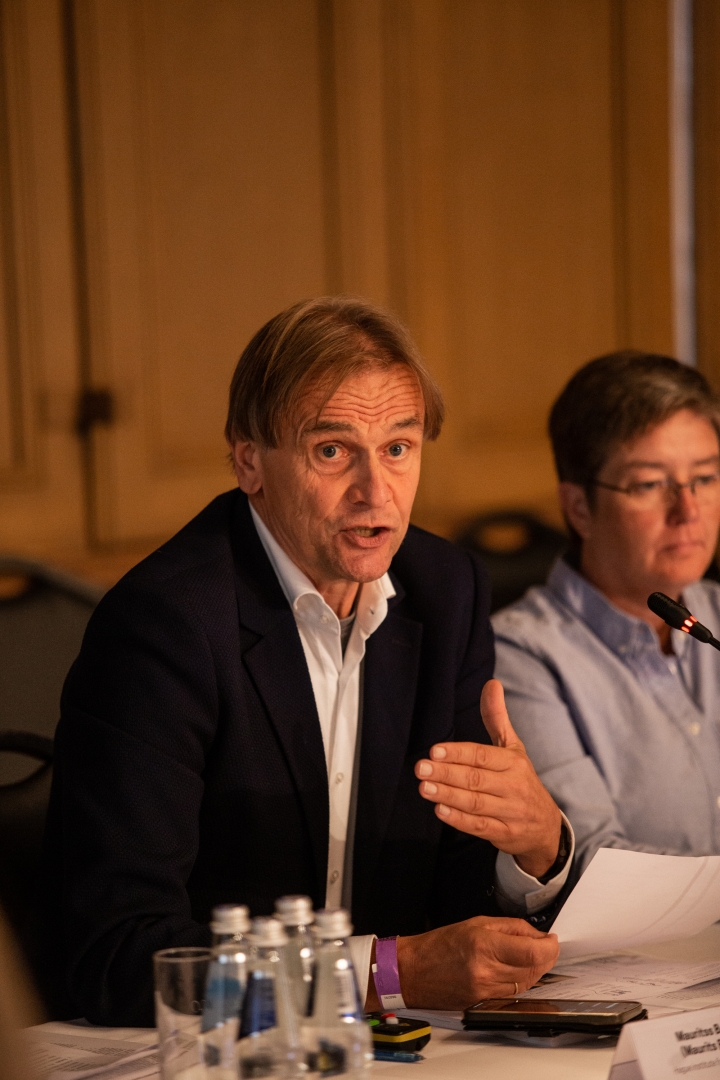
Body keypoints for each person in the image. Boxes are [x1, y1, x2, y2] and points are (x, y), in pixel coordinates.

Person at [45, 297, 574, 1025]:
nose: (376, 492)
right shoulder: (165, 626)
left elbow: (458, 907)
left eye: (398, 448)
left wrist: (538, 849)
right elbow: (119, 952)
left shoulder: (444, 591)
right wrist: (386, 974)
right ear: (249, 462)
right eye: (332, 451)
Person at [493, 351, 720, 873]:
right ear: (579, 508)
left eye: (706, 478)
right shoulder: (519, 657)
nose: (688, 511)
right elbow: (591, 860)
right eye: (650, 484)